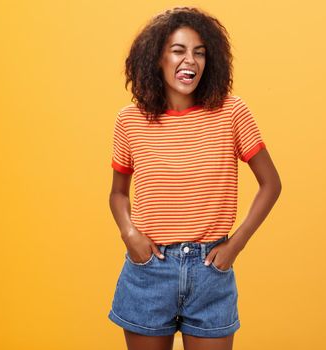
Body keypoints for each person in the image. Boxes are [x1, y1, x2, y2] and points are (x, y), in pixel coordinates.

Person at [108, 6, 281, 350]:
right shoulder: (130, 120)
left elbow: (271, 184)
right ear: (156, 58)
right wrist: (129, 233)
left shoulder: (232, 112)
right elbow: (118, 194)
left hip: (210, 272)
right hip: (149, 270)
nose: (191, 61)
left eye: (199, 53)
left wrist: (236, 245)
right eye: (178, 50)